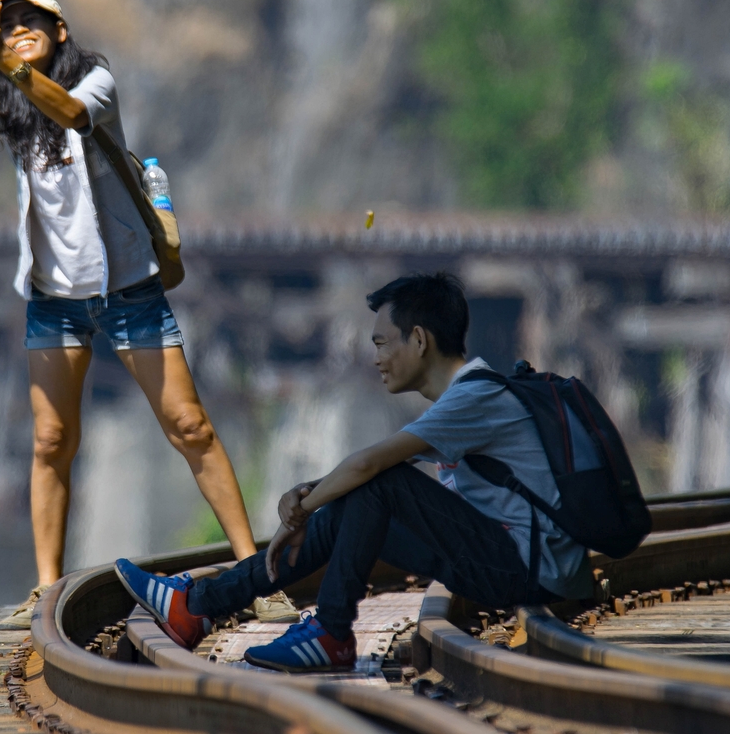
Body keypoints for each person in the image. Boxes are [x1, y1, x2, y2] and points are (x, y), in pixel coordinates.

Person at [0, 0, 298, 629]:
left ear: (59, 31)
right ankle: (45, 588)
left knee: (191, 427)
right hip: (53, 299)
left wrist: (6, 61)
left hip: (128, 290)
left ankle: (256, 573)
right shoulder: (7, 103)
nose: (18, 29)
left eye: (31, 21)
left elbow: (66, 111)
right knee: (51, 441)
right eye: (7, 24)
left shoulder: (94, 81)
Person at [113, 271, 594, 671]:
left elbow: (369, 464)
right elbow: (364, 473)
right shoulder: (469, 394)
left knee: (377, 484)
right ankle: (198, 607)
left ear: (420, 341)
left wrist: (300, 507)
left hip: (530, 571)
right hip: (513, 561)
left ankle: (331, 632)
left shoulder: (474, 396)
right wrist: (312, 498)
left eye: (383, 343)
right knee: (354, 502)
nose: (377, 358)